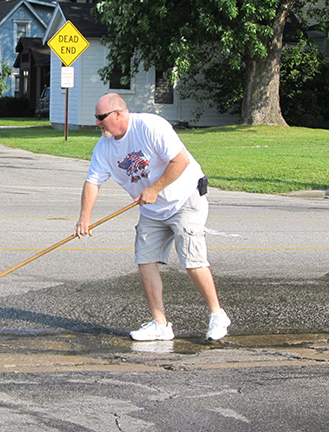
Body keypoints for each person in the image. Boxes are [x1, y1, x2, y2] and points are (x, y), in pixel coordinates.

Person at [73, 93, 231, 341]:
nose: (97, 123)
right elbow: (93, 181)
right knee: (145, 259)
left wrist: (154, 189)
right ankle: (161, 324)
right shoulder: (104, 148)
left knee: (191, 258)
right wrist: (85, 217)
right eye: (96, 118)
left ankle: (217, 315)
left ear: (118, 114)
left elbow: (181, 160)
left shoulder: (150, 126)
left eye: (101, 117)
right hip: (152, 210)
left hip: (185, 198)